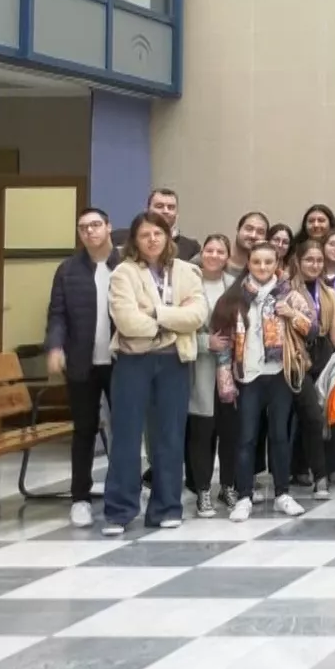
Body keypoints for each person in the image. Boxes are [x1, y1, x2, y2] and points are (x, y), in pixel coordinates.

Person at [102, 212, 207, 535]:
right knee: (126, 437)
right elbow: (128, 322)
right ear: (135, 240)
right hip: (134, 362)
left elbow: (198, 316)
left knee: (170, 437)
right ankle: (120, 510)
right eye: (145, 234)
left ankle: (167, 507)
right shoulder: (123, 273)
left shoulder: (188, 272)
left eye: (157, 234)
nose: (152, 240)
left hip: (174, 362)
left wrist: (158, 313)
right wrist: (172, 324)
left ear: (167, 237)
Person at [212, 242, 311, 522]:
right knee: (246, 437)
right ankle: (243, 496)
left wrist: (292, 315)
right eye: (257, 262)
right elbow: (221, 342)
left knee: (280, 435)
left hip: (279, 374)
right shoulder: (234, 297)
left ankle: (282, 493)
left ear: (276, 263)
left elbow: (312, 328)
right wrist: (225, 380)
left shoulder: (289, 294)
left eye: (268, 262)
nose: (263, 267)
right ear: (249, 263)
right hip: (248, 376)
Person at [44, 206, 121, 528]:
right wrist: (55, 346)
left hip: (121, 361)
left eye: (95, 225)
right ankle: (80, 498)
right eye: (83, 227)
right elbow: (57, 314)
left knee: (126, 431)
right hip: (82, 363)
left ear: (108, 227)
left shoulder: (127, 266)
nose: (89, 232)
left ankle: (124, 491)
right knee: (84, 430)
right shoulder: (68, 270)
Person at [187, 235, 241, 516]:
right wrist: (205, 342)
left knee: (229, 431)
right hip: (200, 370)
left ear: (227, 256)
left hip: (230, 371)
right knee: (202, 432)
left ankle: (228, 486)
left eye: (221, 251)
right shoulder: (188, 284)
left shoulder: (235, 286)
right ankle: (203, 490)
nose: (215, 255)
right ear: (202, 252)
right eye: (209, 249)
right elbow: (179, 328)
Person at [286, 240, 335, 498]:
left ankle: (313, 467)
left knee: (325, 414)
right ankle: (319, 476)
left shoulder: (329, 293)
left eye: (319, 260)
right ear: (298, 261)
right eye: (309, 260)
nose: (314, 265)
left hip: (324, 354)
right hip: (297, 354)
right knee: (311, 413)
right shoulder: (286, 291)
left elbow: (334, 332)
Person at [112, 188, 201, 262]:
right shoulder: (120, 238)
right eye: (159, 206)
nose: (165, 211)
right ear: (147, 210)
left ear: (177, 213)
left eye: (171, 207)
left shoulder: (191, 247)